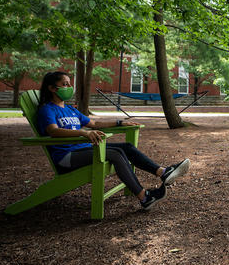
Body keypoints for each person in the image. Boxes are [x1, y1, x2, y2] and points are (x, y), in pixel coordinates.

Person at [36, 71, 190, 210]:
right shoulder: (47, 109)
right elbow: (53, 131)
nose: (69, 86)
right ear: (52, 88)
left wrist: (120, 122)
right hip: (66, 156)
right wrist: (83, 133)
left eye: (69, 83)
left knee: (126, 147)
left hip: (82, 150)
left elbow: (94, 124)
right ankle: (144, 197)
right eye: (64, 84)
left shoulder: (70, 110)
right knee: (115, 153)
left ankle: (163, 172)